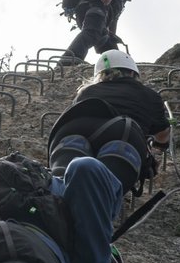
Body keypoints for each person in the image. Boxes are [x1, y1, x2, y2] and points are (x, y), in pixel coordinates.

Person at [47, 49, 172, 197]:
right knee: (103, 190)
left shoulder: (87, 91)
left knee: (62, 184)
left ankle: (55, 198)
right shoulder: (149, 95)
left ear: (100, 75)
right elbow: (162, 135)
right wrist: (159, 145)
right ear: (132, 73)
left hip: (72, 131)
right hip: (122, 136)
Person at [55, 0, 156, 65]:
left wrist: (112, 35)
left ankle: (116, 68)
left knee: (109, 46)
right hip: (93, 4)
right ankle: (66, 63)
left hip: (97, 16)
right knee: (91, 33)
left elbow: (114, 19)